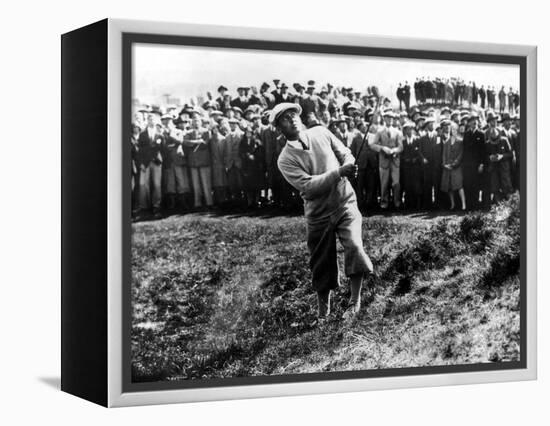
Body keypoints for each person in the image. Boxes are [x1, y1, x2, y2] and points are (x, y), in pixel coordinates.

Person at [274, 103, 373, 320]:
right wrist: (339, 171)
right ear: (279, 128)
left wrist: (349, 163)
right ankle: (323, 313)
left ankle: (354, 302)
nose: (292, 119)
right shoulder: (285, 159)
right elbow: (309, 185)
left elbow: (345, 152)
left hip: (345, 201)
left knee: (355, 246)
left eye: (293, 115)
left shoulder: (321, 132)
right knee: (321, 262)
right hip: (318, 213)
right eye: (285, 119)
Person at [370, 110, 404, 210]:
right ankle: (384, 202)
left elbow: (401, 147)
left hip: (394, 160)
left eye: (391, 118)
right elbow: (372, 145)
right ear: (384, 119)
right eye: (388, 117)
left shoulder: (397, 132)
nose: (390, 119)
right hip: (384, 160)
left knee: (396, 183)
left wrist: (394, 150)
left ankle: (397, 202)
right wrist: (382, 148)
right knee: (384, 183)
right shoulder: (380, 131)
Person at [137, 112, 164, 219]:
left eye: (153, 119)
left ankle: (156, 206)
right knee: (143, 185)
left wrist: (161, 160)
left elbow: (163, 149)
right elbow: (140, 151)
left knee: (157, 185)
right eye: (149, 119)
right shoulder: (143, 134)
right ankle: (145, 207)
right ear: (147, 121)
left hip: (157, 162)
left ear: (156, 121)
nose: (151, 121)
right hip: (145, 163)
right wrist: (141, 164)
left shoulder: (160, 134)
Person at [183, 117, 214, 210]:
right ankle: (198, 204)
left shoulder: (206, 132)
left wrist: (197, 142)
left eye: (197, 121)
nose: (196, 123)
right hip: (193, 161)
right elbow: (185, 142)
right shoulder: (188, 133)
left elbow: (205, 143)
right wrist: (197, 141)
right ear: (192, 123)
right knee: (196, 184)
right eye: (194, 121)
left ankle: (209, 203)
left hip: (204, 161)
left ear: (201, 122)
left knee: (206, 184)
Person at [439, 120, 466, 210]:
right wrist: (444, 164)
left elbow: (461, 154)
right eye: (451, 130)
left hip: (456, 167)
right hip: (448, 167)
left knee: (459, 186)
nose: (453, 131)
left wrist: (454, 164)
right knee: (449, 187)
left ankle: (463, 204)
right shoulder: (447, 142)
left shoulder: (460, 141)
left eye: (454, 130)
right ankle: (452, 204)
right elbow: (443, 154)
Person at [461, 113, 486, 209]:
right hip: (467, 165)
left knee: (476, 185)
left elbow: (483, 151)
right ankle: (469, 206)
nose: (474, 123)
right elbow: (464, 150)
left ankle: (476, 205)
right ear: (469, 123)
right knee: (468, 184)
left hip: (477, 165)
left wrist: (481, 164)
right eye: (472, 121)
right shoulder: (466, 134)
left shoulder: (481, 134)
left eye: (476, 121)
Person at [400, 121, 423, 209]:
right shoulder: (403, 141)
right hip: (406, 167)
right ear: (405, 131)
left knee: (416, 185)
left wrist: (416, 159)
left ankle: (417, 205)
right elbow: (401, 153)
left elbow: (420, 152)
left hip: (416, 166)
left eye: (410, 129)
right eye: (407, 130)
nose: (409, 131)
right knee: (407, 185)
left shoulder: (417, 139)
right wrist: (405, 159)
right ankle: (409, 204)